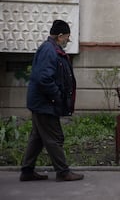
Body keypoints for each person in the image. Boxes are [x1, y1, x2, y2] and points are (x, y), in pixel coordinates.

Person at [20, 20, 84, 182]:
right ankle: (63, 172)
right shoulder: (49, 50)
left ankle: (27, 171)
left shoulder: (51, 49)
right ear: (60, 35)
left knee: (38, 137)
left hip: (42, 103)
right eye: (67, 38)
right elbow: (44, 79)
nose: (67, 41)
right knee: (55, 138)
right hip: (45, 104)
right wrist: (57, 97)